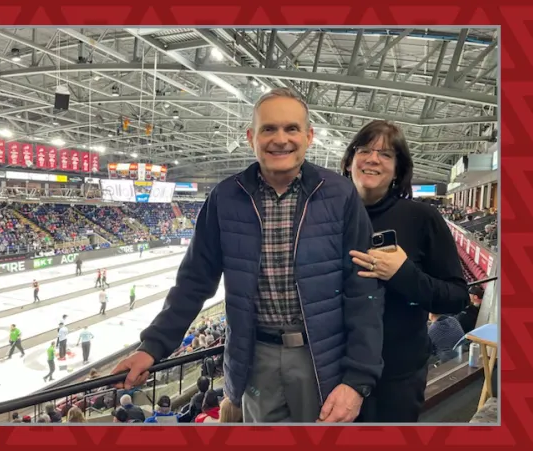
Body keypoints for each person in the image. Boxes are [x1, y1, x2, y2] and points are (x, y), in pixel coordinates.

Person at [112, 87, 385, 424]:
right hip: (256, 359)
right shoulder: (225, 198)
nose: (280, 139)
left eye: (291, 129)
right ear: (250, 137)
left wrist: (357, 380)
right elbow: (195, 281)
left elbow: (364, 290)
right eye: (268, 129)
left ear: (309, 136)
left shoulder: (339, 194)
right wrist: (152, 347)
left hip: (322, 358)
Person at [341, 120, 468, 423]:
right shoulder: (327, 216)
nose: (373, 159)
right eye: (365, 150)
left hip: (396, 376)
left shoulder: (423, 218)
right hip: (335, 371)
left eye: (385, 154)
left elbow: (457, 297)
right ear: (349, 162)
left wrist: (402, 274)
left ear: (398, 169)